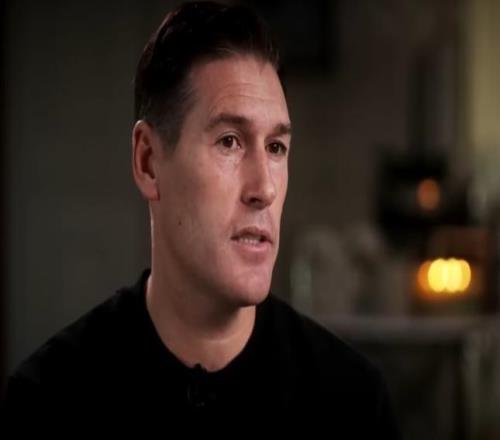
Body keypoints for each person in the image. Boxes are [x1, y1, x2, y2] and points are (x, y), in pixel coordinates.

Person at [2, 1, 401, 435]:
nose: (264, 189)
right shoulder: (46, 401)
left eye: (275, 147)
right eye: (229, 141)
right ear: (148, 162)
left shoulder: (354, 404)